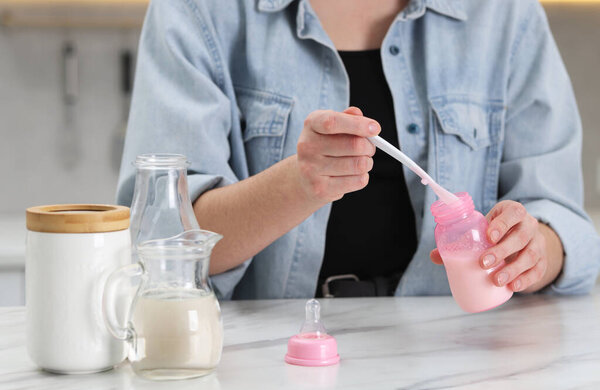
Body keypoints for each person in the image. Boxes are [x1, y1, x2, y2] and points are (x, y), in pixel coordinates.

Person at [117, 0, 600, 300]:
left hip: (460, 359)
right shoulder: (199, 11)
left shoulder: (504, 15)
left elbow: (562, 220)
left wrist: (535, 250)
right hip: (261, 366)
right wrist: (297, 184)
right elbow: (161, 243)